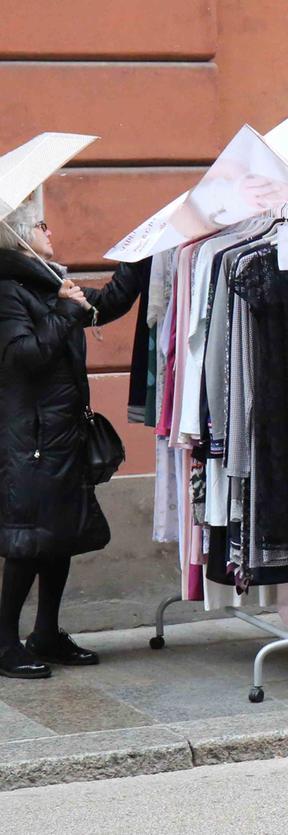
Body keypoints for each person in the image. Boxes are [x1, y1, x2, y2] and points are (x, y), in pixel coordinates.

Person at [0, 194, 148, 678]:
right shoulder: (8, 290)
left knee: (57, 538)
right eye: (39, 224)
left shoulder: (45, 283)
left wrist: (143, 256)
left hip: (60, 434)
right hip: (31, 439)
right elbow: (20, 357)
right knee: (28, 543)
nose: (50, 229)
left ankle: (45, 633)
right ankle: (4, 642)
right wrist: (63, 312)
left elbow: (101, 308)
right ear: (18, 236)